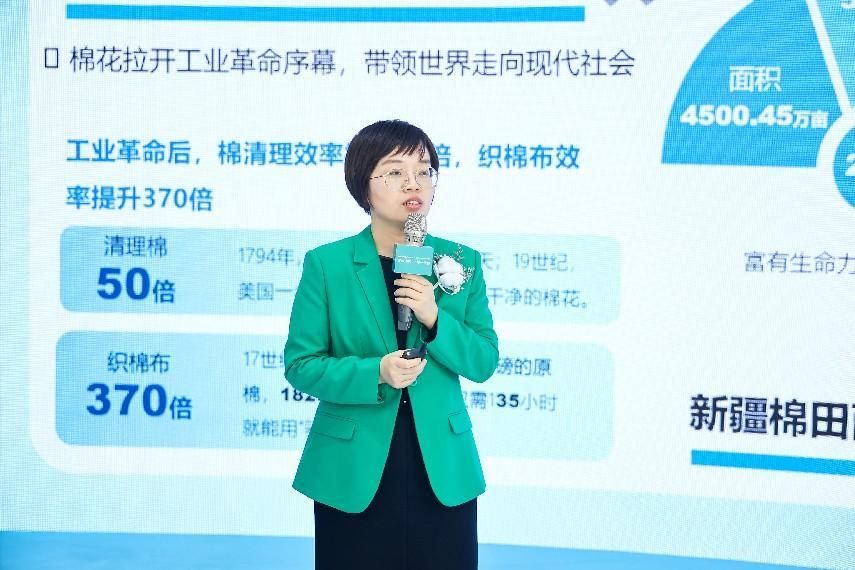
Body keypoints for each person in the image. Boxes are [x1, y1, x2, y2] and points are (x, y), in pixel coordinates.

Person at [283, 119, 499, 570]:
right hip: (352, 465)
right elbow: (302, 365)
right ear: (363, 184)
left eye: (424, 171)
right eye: (396, 171)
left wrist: (435, 319)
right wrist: (375, 372)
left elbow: (483, 361)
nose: (413, 183)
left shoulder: (461, 262)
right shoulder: (327, 265)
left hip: (441, 464)